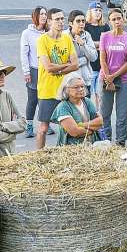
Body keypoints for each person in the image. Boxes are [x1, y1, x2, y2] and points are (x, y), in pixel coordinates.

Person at [36, 8, 79, 149]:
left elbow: (76, 65)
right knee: (43, 128)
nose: (61, 22)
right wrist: (66, 65)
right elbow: (48, 67)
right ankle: (39, 156)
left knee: (68, 127)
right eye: (57, 19)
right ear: (49, 21)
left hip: (65, 90)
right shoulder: (43, 40)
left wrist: (58, 67)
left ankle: (64, 152)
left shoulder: (67, 38)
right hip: (47, 90)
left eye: (62, 19)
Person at [99, 9, 127, 146]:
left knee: (122, 114)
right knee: (105, 112)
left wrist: (114, 76)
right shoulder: (105, 36)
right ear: (110, 21)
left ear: (123, 19)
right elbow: (102, 59)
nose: (117, 21)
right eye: (114, 19)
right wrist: (108, 77)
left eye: (119, 18)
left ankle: (120, 141)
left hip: (124, 79)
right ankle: (106, 140)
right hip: (106, 77)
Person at [50, 72, 103, 146]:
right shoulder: (63, 107)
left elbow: (100, 122)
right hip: (72, 148)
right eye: (76, 87)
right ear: (67, 89)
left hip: (91, 144)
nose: (81, 89)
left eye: (82, 86)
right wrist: (92, 129)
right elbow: (74, 132)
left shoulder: (86, 101)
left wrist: (82, 125)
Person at [20, 6, 49, 139]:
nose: (44, 16)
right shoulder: (27, 33)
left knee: (46, 98)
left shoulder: (49, 32)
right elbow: (24, 54)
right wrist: (26, 71)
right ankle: (29, 125)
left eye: (45, 14)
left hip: (48, 70)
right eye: (41, 14)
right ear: (35, 16)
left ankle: (45, 124)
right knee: (33, 99)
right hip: (34, 69)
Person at [66, 10, 98, 97]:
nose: (81, 23)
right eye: (78, 21)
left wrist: (83, 45)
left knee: (85, 108)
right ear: (71, 23)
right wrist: (84, 59)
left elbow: (94, 57)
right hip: (69, 80)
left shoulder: (87, 35)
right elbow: (66, 61)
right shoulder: (64, 36)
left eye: (83, 21)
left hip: (85, 80)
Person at [85, 1, 110, 104]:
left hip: (101, 67)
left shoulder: (105, 27)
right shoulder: (86, 26)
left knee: (99, 94)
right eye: (95, 10)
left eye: (100, 11)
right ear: (90, 12)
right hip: (89, 66)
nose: (98, 13)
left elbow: (108, 44)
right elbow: (86, 44)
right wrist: (99, 45)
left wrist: (95, 45)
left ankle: (98, 115)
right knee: (88, 93)